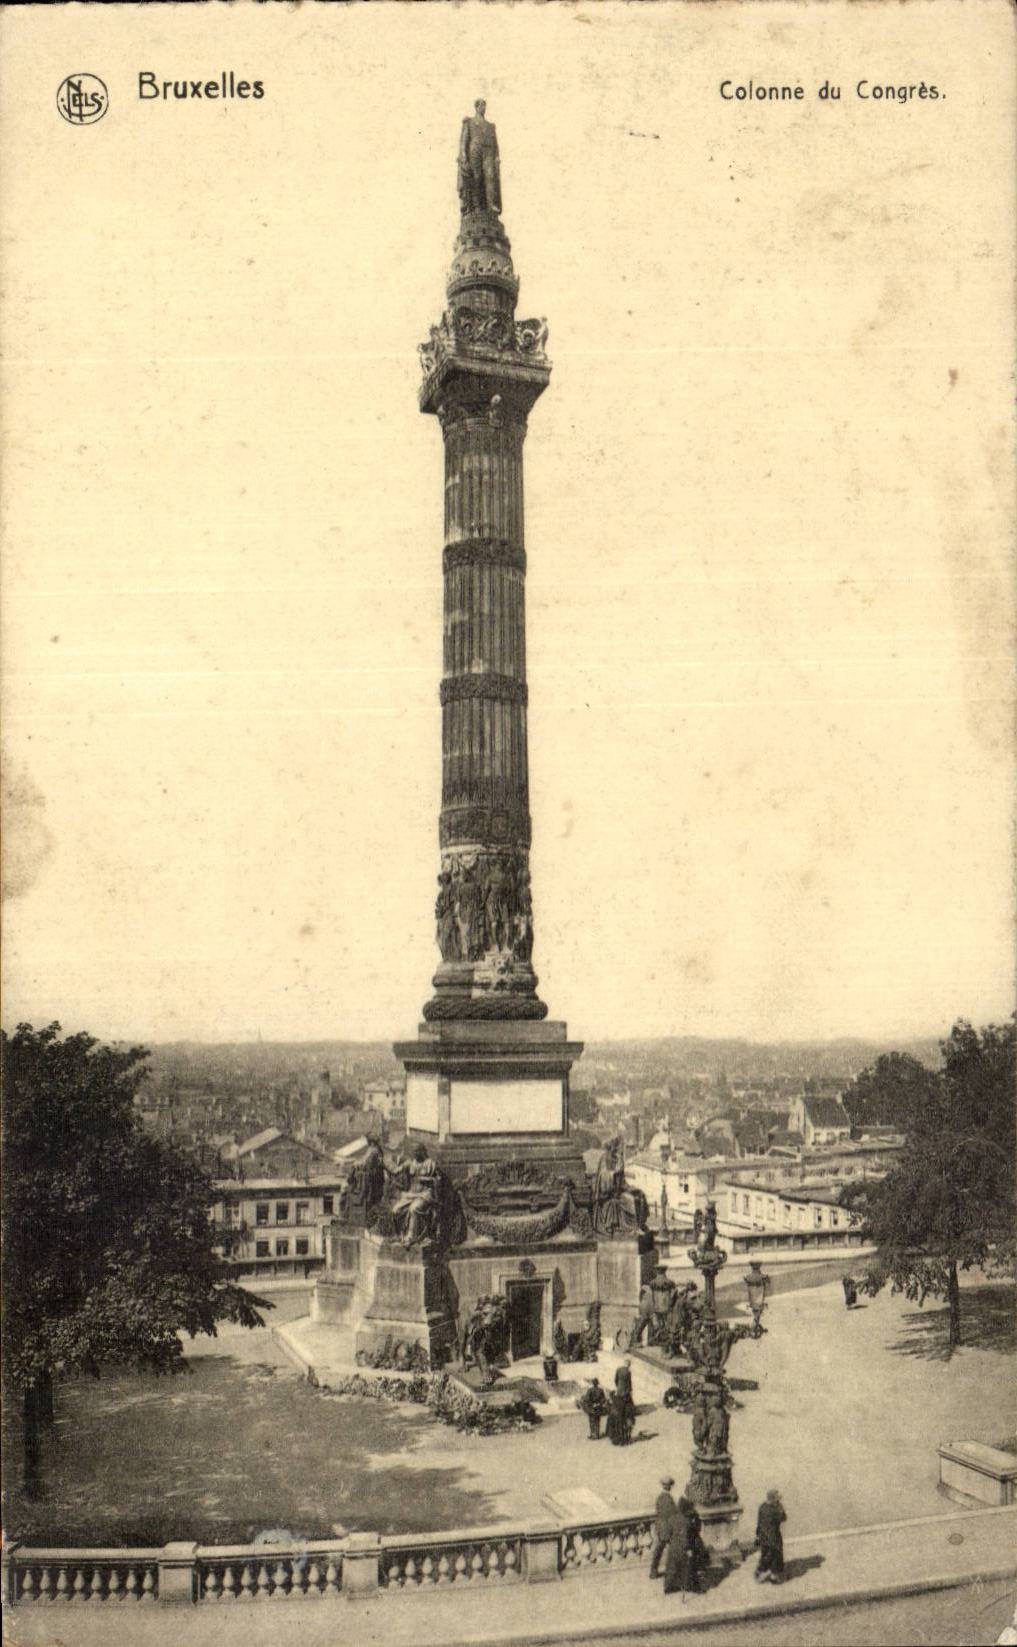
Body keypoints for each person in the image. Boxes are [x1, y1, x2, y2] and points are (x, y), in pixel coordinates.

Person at [663, 1495, 706, 1596]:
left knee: (672, 1568)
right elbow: (686, 1537)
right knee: (691, 1565)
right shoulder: (687, 1521)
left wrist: (672, 1543)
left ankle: (668, 1587)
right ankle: (693, 1587)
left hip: (673, 1549)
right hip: (683, 1549)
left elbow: (666, 1536)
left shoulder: (671, 1519)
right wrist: (688, 1549)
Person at [648, 1476, 678, 1580]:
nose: (669, 1487)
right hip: (668, 1528)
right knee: (675, 1547)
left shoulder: (660, 1498)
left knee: (659, 1550)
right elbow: (672, 1513)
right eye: (669, 1485)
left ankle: (653, 1571)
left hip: (661, 1527)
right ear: (669, 1486)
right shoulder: (668, 1498)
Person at [754, 1488, 787, 1583]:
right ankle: (773, 1576)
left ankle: (760, 1570)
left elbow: (759, 1522)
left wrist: (758, 1535)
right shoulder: (775, 1509)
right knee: (776, 1554)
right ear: (774, 1499)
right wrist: (780, 1507)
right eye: (777, 1499)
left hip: (763, 1535)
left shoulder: (762, 1507)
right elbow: (783, 1518)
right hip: (774, 1536)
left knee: (766, 1554)